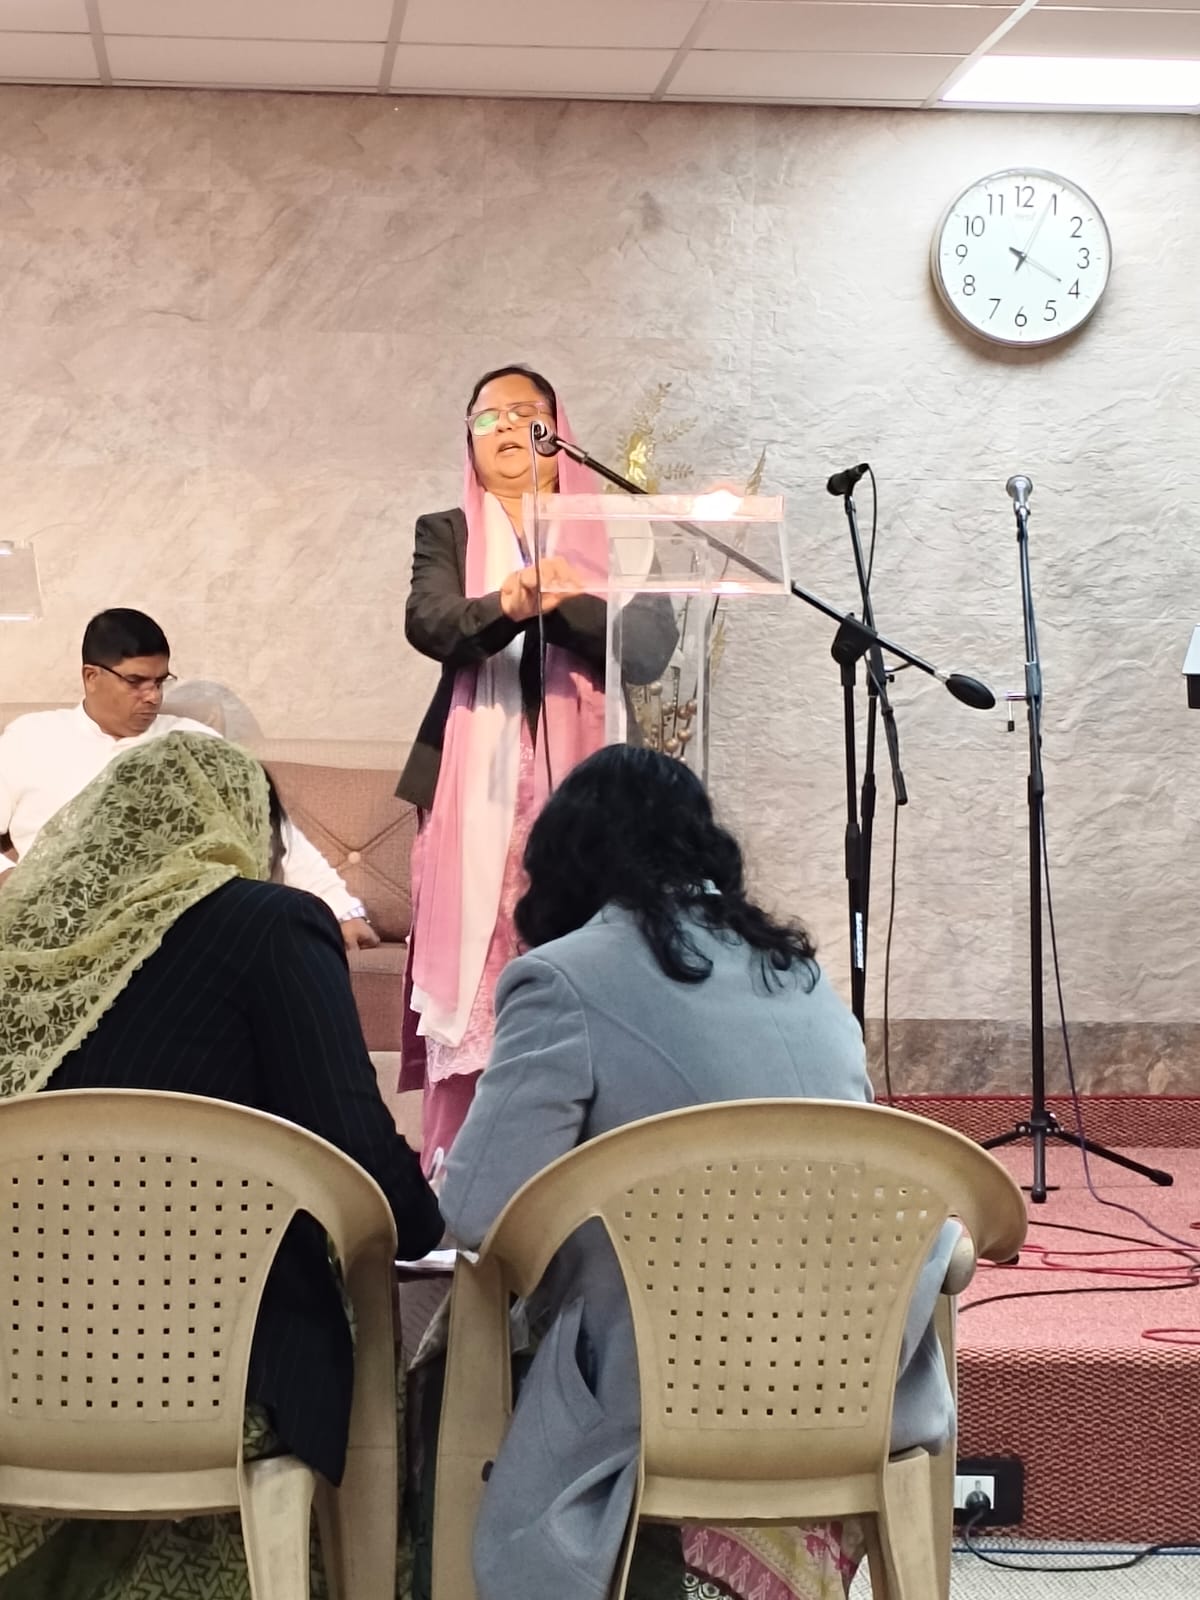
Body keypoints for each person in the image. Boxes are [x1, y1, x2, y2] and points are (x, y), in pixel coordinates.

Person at [439, 745, 961, 1600]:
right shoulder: (800, 975)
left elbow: (474, 1208)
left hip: (670, 1389)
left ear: (564, 862)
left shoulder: (560, 978)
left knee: (451, 1359)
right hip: (849, 1379)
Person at [0, 731, 442, 1598]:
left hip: (18, 1375)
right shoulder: (270, 925)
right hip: (207, 1375)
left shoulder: (24, 944)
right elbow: (357, 1150)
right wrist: (428, 1220)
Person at [396, 364, 672, 1175]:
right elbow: (432, 622)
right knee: (483, 968)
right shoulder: (447, 529)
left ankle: (586, 1155)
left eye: (526, 413)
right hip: (475, 782)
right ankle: (467, 1169)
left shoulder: (620, 530)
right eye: (489, 417)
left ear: (560, 430)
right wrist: (507, 605)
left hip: (592, 789)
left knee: (585, 945)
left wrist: (562, 601)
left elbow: (649, 648)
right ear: (469, 438)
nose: (508, 428)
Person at [0, 607, 378, 952]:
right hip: (54, 926)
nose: (152, 697)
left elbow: (272, 833)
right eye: (136, 681)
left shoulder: (192, 742)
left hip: (172, 930)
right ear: (91, 676)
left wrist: (342, 909)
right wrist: (9, 877)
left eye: (159, 682)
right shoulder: (30, 738)